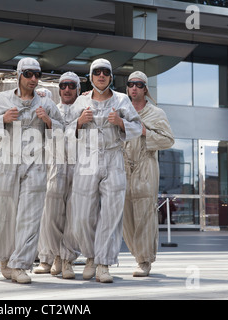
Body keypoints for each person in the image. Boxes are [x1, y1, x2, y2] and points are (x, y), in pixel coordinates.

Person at [0, 57, 63, 284]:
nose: (33, 79)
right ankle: (4, 259)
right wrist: (2, 119)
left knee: (31, 215)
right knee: (4, 213)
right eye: (28, 74)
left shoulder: (46, 103)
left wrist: (49, 122)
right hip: (7, 161)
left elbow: (64, 132)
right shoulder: (2, 99)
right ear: (18, 75)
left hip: (35, 164)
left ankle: (21, 265)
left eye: (37, 74)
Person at [66, 58, 142, 283]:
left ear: (111, 76)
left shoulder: (122, 100)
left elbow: (137, 127)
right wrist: (79, 122)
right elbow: (64, 131)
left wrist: (120, 122)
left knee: (112, 212)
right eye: (97, 72)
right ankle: (90, 257)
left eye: (106, 72)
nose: (101, 75)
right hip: (87, 156)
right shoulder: (80, 101)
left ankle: (104, 264)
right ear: (91, 76)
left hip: (113, 156)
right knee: (81, 214)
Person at [122, 71, 175, 277]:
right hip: (123, 167)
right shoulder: (121, 111)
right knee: (126, 216)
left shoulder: (156, 113)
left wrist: (146, 132)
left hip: (146, 166)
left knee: (145, 214)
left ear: (145, 88)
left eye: (138, 84)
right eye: (130, 84)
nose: (134, 87)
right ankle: (138, 254)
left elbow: (169, 140)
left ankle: (144, 261)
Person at [34, 72, 81, 279]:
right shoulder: (52, 108)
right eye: (63, 86)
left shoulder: (85, 108)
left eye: (71, 85)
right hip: (54, 166)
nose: (67, 89)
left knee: (73, 216)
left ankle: (68, 259)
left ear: (78, 89)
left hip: (79, 168)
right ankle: (50, 257)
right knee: (50, 214)